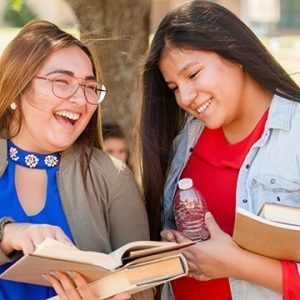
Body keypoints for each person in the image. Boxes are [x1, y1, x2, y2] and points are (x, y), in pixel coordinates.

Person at [140, 1, 300, 299]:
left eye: (193, 74)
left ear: (235, 52)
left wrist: (236, 264)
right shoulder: (185, 138)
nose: (185, 97)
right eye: (174, 87)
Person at [0, 20, 153, 300]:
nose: (81, 99)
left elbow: (146, 290)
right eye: (61, 82)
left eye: (90, 87)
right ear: (17, 86)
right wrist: (6, 234)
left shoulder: (112, 177)